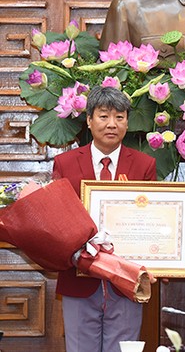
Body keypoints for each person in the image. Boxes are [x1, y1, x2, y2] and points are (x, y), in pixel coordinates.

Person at [52, 86, 157, 352]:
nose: (112, 124)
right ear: (88, 119)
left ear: (127, 122)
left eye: (120, 117)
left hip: (126, 281)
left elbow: (153, 220)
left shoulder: (145, 165)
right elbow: (55, 219)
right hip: (79, 278)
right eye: (103, 116)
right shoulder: (64, 163)